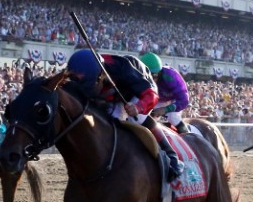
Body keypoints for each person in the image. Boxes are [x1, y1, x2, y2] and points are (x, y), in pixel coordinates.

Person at [66, 49, 184, 180]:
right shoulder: (84, 68)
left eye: (92, 85)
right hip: (112, 93)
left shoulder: (124, 70)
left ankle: (171, 155)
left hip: (140, 89)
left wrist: (139, 107)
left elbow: (152, 95)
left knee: (137, 118)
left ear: (101, 75)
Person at [140, 52, 190, 134]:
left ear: (159, 72)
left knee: (173, 116)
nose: (151, 80)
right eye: (147, 76)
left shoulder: (170, 76)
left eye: (153, 75)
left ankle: (187, 136)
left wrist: (165, 109)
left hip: (174, 100)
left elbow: (184, 100)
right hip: (157, 99)